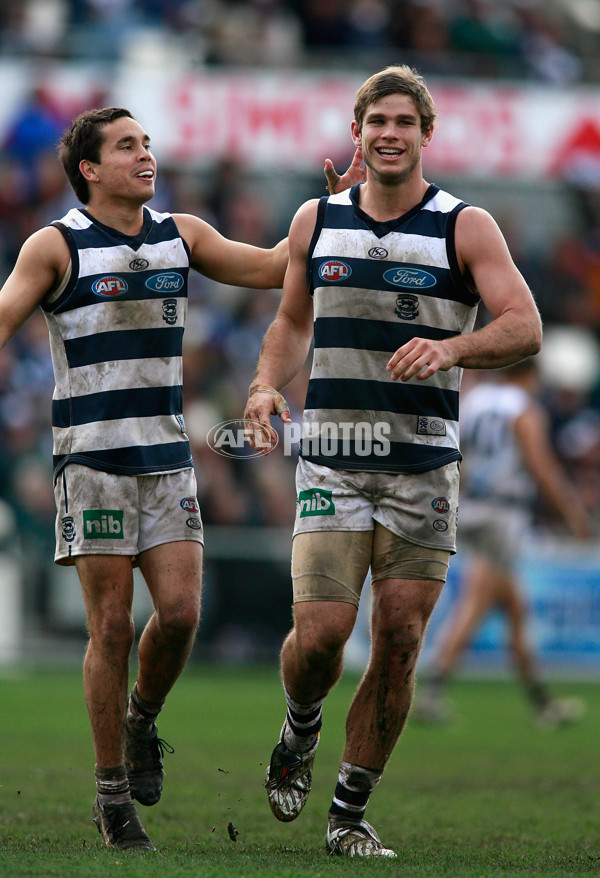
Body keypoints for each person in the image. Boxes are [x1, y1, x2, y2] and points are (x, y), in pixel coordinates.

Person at [243, 64, 542, 858]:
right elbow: (290, 321)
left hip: (425, 468)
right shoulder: (317, 217)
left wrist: (452, 346)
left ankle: (347, 813)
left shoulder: (464, 226)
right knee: (321, 636)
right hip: (334, 458)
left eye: (405, 122)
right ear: (357, 131)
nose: (389, 134)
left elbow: (525, 327)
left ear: (426, 134)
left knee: (402, 638)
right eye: (377, 120)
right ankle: (300, 727)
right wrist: (266, 384)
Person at [0, 106, 292, 852]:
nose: (145, 154)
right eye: (127, 146)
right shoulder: (55, 245)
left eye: (148, 143)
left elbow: (271, 264)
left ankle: (140, 720)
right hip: (93, 464)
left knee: (184, 614)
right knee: (111, 627)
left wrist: (341, 211)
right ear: (90, 169)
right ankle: (112, 799)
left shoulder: (181, 234)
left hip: (166, 462)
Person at [415, 359, 593, 727]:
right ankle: (431, 688)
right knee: (477, 604)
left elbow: (453, 456)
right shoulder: (524, 409)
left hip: (472, 508)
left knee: (514, 608)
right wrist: (573, 515)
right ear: (532, 374)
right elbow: (541, 468)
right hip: (504, 513)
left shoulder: (476, 400)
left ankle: (543, 704)